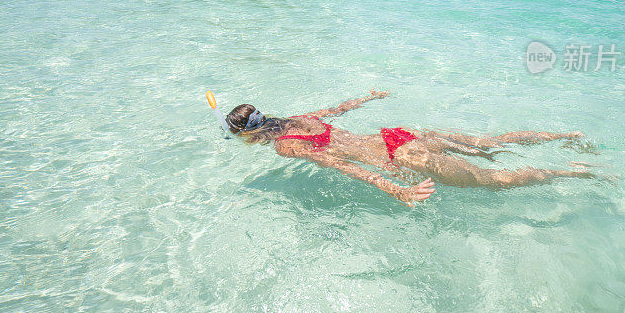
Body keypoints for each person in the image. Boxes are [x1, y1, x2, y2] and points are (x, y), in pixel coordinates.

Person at [223, 91, 594, 206]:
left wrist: (394, 188)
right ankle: (567, 135)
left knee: (493, 179)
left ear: (252, 136)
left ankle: (574, 172)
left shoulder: (286, 147)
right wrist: (370, 96)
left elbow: (342, 166)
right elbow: (339, 109)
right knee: (490, 145)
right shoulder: (300, 119)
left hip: (397, 157)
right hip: (395, 137)